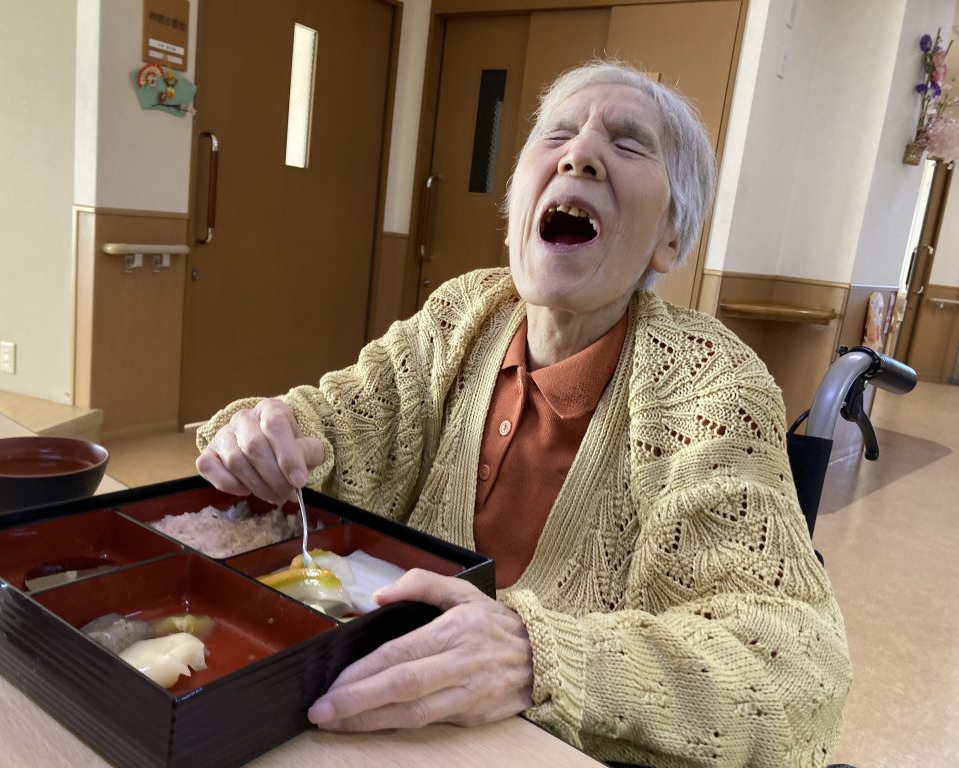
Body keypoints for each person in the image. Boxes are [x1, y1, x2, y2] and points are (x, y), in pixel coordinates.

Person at [195, 59, 851, 767]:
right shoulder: (463, 313)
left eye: (628, 143)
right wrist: (275, 434)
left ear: (669, 238)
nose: (580, 153)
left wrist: (537, 656)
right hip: (378, 716)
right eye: (558, 134)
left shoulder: (711, 386)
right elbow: (344, 416)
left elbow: (797, 662)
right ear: (516, 212)